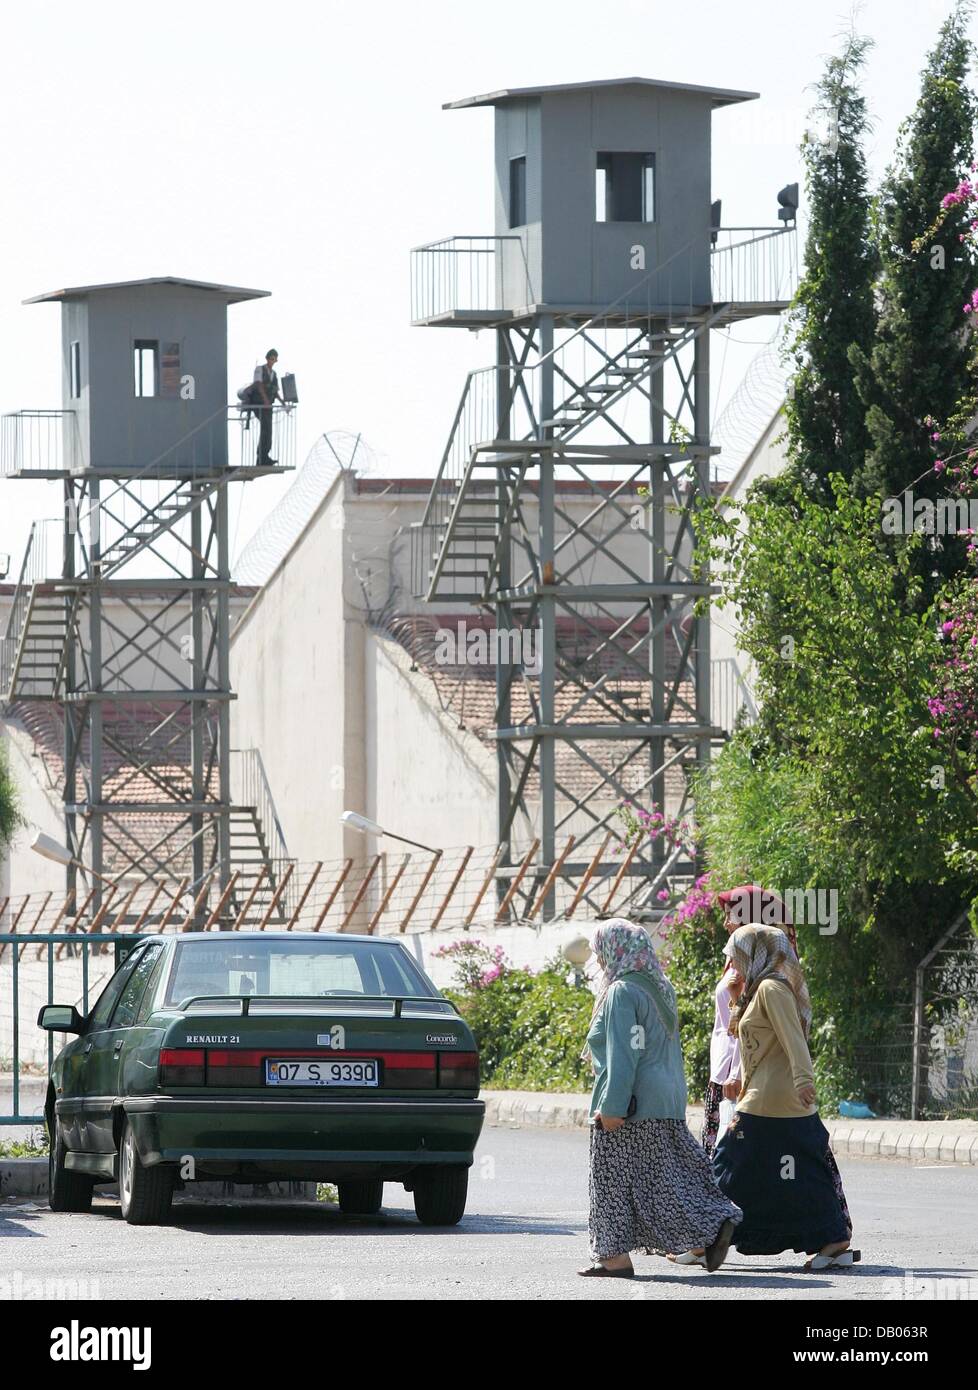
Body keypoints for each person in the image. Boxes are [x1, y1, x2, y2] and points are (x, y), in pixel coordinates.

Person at [578, 918, 742, 1278]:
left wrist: (612, 1106)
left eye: (600, 952)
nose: (599, 960)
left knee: (612, 1182)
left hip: (632, 1100)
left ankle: (614, 1258)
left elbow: (624, 1054)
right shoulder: (660, 987)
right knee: (666, 1177)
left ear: (614, 950)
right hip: (667, 1096)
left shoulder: (622, 992)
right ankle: (707, 1229)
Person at [711, 925, 860, 1269]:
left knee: (727, 1164)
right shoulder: (758, 989)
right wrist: (736, 997)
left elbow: (793, 1037)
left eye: (736, 954)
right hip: (772, 1097)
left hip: (770, 1097)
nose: (732, 963)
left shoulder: (772, 988)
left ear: (757, 952)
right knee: (803, 1171)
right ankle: (833, 1239)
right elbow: (751, 1036)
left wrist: (804, 1079)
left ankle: (704, 1235)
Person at [251, 349, 282, 465]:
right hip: (259, 403)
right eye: (271, 358)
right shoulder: (260, 369)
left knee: (268, 431)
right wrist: (265, 400)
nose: (273, 361)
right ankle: (261, 458)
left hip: (267, 406)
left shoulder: (274, 374)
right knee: (265, 429)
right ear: (267, 358)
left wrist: (282, 402)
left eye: (274, 359)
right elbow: (258, 384)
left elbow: (275, 391)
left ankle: (265, 457)